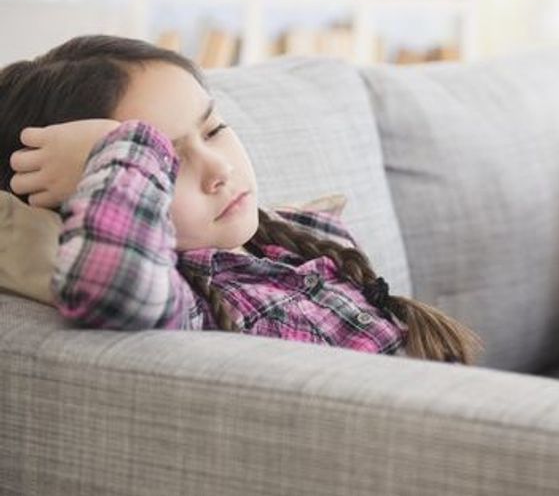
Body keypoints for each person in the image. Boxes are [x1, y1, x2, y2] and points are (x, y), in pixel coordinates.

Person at [0, 35, 481, 364]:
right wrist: (122, 147)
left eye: (213, 129)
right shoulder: (186, 303)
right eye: (167, 161)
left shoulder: (303, 236)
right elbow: (114, 287)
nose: (219, 170)